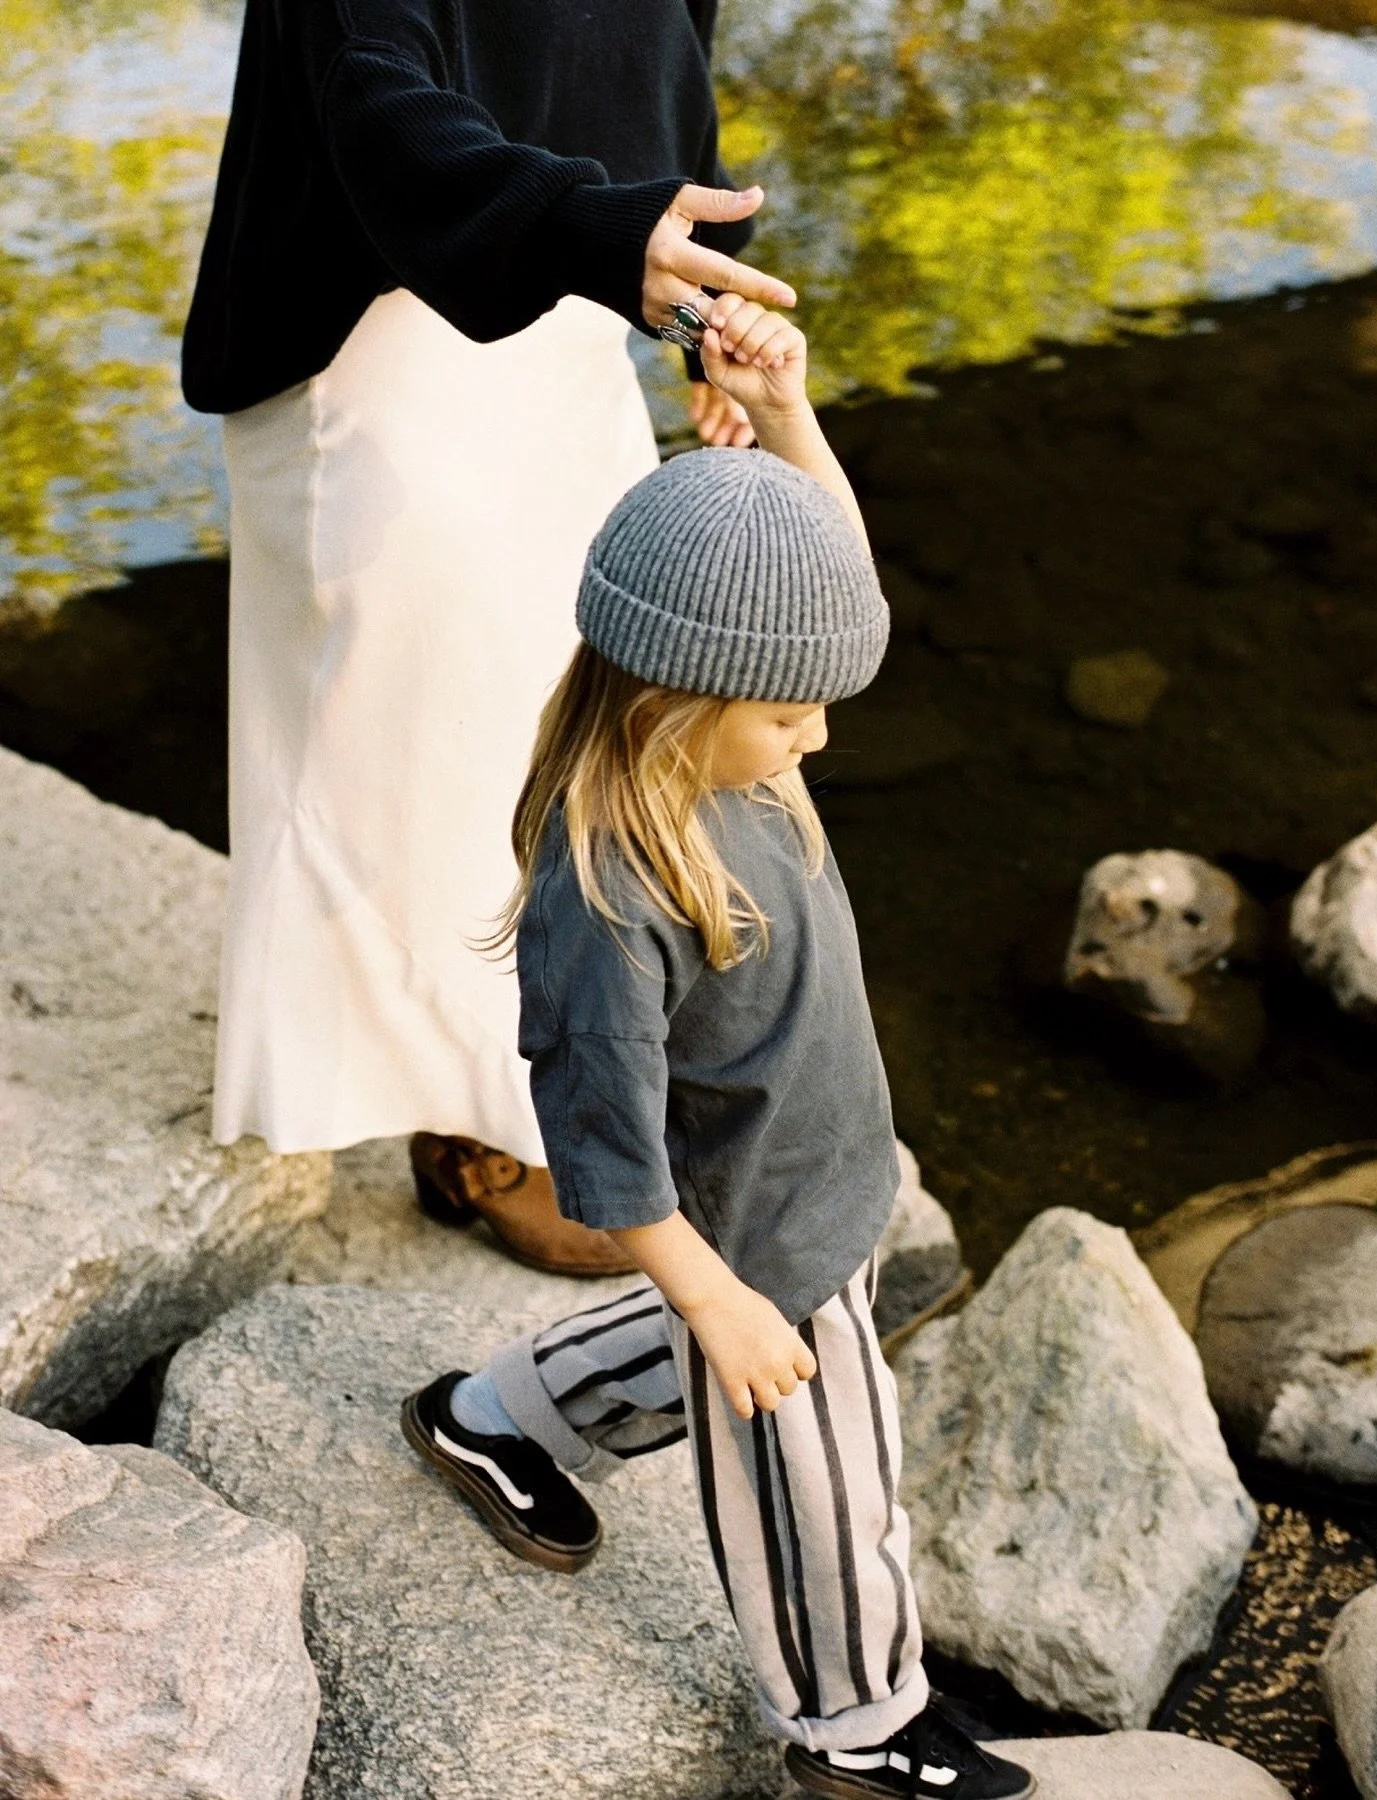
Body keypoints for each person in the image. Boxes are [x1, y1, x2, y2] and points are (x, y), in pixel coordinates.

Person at [400, 298, 1035, 1800]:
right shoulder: (612, 900)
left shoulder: (724, 745)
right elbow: (614, 1170)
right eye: (792, 710)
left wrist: (794, 412)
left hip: (819, 1157)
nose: (817, 736)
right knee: (825, 1478)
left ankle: (489, 1420)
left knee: (726, 1348)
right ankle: (857, 1721)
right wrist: (725, 1300)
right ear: (680, 696)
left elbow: (829, 585)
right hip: (747, 1214)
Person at [183, 0, 797, 1275]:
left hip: (561, 295)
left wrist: (694, 286)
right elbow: (377, 100)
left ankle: (571, 1083)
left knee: (583, 709)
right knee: (431, 754)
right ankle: (473, 1130)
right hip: (379, 320)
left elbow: (656, 42)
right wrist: (595, 230)